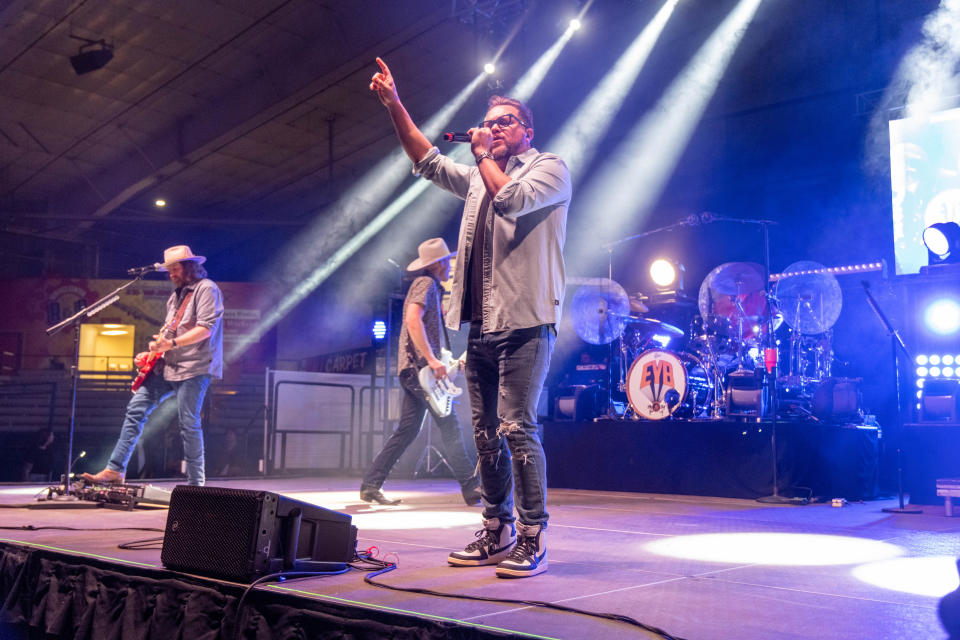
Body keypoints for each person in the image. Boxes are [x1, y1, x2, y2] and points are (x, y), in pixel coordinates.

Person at [370, 57, 571, 578]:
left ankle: (532, 535)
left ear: (527, 131)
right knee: (484, 433)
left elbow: (513, 200)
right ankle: (496, 526)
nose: (493, 127)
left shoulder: (549, 167)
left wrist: (483, 154)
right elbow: (428, 160)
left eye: (505, 120)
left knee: (518, 428)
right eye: (490, 121)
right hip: (481, 323)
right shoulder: (480, 176)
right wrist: (396, 107)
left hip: (526, 321)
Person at [82, 245, 224, 486]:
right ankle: (115, 470)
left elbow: (206, 329)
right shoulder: (175, 296)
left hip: (195, 367)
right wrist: (149, 353)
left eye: (175, 269)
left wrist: (171, 344)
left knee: (188, 423)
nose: (171, 274)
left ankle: (195, 484)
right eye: (168, 269)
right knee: (135, 411)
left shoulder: (207, 288)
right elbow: (167, 333)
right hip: (167, 367)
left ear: (190, 267)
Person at [360, 238, 481, 507]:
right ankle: (471, 487)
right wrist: (430, 359)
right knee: (449, 426)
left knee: (408, 430)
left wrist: (447, 362)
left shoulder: (433, 289)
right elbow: (413, 320)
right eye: (447, 261)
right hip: (418, 369)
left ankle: (371, 485)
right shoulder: (425, 284)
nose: (450, 265)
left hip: (418, 369)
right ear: (438, 263)